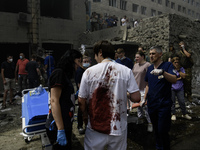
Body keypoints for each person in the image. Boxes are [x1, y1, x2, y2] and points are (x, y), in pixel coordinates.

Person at [78, 40, 141, 150]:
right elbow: (136, 98)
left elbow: (81, 100)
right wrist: (125, 93)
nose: (95, 58)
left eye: (95, 54)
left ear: (100, 52)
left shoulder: (88, 72)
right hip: (118, 126)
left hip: (95, 127)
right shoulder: (125, 71)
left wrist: (84, 115)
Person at [45, 49, 82, 150]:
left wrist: (73, 96)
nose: (79, 65)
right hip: (58, 125)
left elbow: (63, 97)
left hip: (65, 122)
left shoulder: (64, 75)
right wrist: (60, 129)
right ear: (71, 60)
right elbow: (54, 101)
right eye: (78, 61)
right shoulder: (59, 74)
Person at [144, 46, 177, 150]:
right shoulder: (149, 68)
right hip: (152, 104)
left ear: (160, 54)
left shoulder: (167, 65)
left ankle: (166, 147)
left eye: (153, 54)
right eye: (150, 54)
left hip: (163, 104)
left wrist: (163, 72)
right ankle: (159, 147)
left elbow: (174, 79)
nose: (151, 56)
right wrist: (144, 99)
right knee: (156, 130)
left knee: (163, 130)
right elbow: (148, 85)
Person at [132, 51, 152, 132]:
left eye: (137, 57)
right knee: (138, 105)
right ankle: (140, 118)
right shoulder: (135, 65)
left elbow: (150, 77)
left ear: (142, 57)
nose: (136, 58)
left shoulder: (147, 65)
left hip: (144, 87)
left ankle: (150, 123)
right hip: (136, 88)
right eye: (135, 57)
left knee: (145, 106)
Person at [75, 55, 91, 134]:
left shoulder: (89, 71)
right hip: (82, 93)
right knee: (81, 110)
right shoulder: (79, 71)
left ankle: (87, 125)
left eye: (87, 62)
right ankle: (80, 126)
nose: (86, 63)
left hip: (89, 93)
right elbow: (79, 84)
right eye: (84, 62)